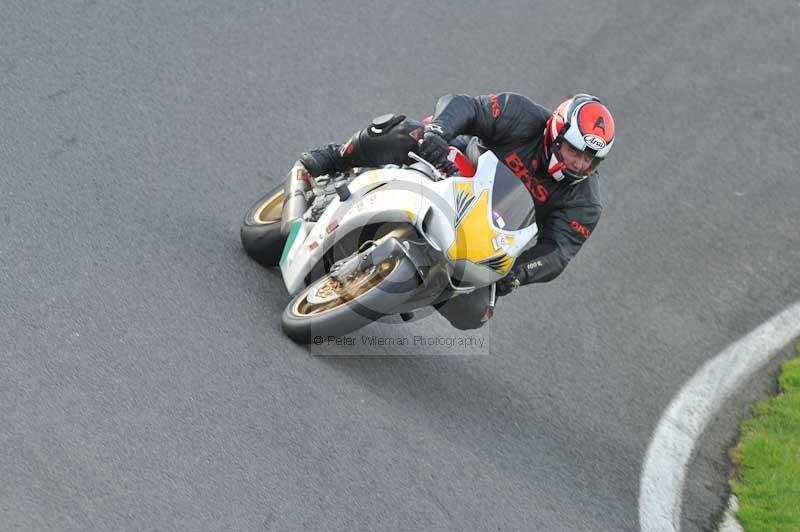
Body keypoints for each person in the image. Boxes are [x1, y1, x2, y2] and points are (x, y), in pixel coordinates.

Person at [295, 92, 616, 330]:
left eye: (589, 159)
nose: (579, 163)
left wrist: (518, 274)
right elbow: (467, 106)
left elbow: (558, 251)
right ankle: (335, 159)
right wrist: (439, 132)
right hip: (456, 169)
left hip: (487, 233)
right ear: (556, 134)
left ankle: (405, 289)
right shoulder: (522, 114)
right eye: (574, 151)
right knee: (407, 133)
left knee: (475, 312)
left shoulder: (585, 201)